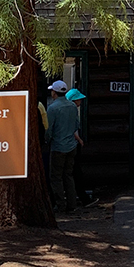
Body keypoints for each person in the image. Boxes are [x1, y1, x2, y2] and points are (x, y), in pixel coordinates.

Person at [46, 80, 82, 215]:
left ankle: (60, 205)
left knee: (56, 177)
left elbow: (49, 129)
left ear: (54, 92)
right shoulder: (72, 107)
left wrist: (47, 140)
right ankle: (72, 204)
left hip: (58, 146)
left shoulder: (53, 108)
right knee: (68, 175)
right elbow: (76, 125)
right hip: (72, 146)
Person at [65, 88, 98, 207]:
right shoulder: (71, 110)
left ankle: (78, 199)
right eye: (78, 99)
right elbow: (71, 128)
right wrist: (79, 140)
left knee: (73, 173)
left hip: (69, 144)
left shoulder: (68, 109)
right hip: (72, 145)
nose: (80, 101)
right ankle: (82, 199)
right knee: (75, 173)